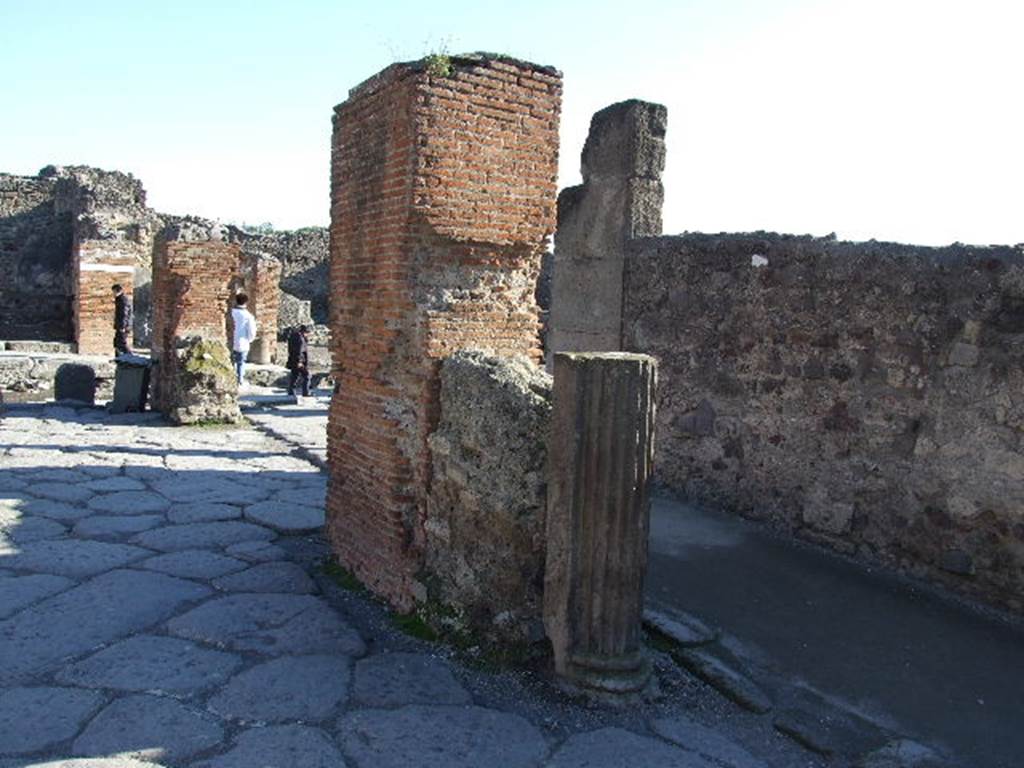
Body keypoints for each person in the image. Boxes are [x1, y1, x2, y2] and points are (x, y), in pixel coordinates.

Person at [230, 293, 257, 387]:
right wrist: (250, 339)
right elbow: (252, 331)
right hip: (243, 342)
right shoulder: (248, 316)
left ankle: (231, 379)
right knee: (241, 363)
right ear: (246, 302)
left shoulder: (231, 312)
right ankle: (239, 380)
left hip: (230, 341)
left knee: (231, 361)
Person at [286, 324, 310, 397]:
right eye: (307, 333)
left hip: (293, 359)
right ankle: (306, 392)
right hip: (299, 361)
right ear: (304, 332)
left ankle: (291, 392)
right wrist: (299, 361)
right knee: (307, 375)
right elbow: (299, 351)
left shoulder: (293, 337)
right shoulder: (300, 339)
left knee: (294, 375)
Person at [111, 284, 133, 356]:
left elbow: (124, 314)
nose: (113, 293)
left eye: (113, 291)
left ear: (117, 291)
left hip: (123, 326)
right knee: (117, 343)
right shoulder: (119, 299)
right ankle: (119, 357)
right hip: (120, 325)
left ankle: (129, 357)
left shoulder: (123, 300)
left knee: (122, 343)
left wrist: (123, 326)